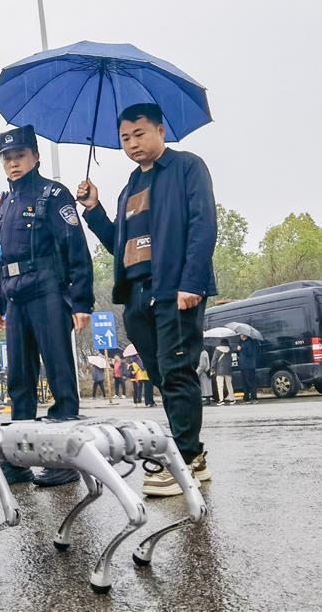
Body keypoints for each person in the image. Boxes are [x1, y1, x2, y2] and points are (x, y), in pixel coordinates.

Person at [77, 102, 217, 498]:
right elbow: (118, 245)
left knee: (177, 371)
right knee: (162, 376)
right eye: (125, 138)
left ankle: (183, 458)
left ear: (160, 130)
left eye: (139, 134)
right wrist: (94, 209)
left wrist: (191, 282)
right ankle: (194, 455)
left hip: (174, 288)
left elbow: (203, 224)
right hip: (136, 295)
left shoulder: (187, 167)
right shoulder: (129, 187)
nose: (133, 143)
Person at [0, 125, 95, 487]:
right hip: (15, 296)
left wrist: (81, 301)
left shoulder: (53, 194)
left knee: (60, 374)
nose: (13, 163)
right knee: (19, 380)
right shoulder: (5, 202)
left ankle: (64, 459)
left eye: (19, 156)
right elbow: (0, 257)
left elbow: (75, 247)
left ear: (35, 156)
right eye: (7, 158)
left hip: (48, 289)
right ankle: (18, 459)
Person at [235, 334, 260, 403]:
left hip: (249, 366)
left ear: (244, 335)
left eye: (241, 334)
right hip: (243, 366)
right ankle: (246, 398)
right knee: (245, 383)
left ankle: (253, 398)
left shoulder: (250, 342)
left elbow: (250, 353)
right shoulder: (242, 342)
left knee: (250, 382)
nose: (240, 335)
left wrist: (241, 348)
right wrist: (239, 350)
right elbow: (240, 354)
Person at [211, 341, 235, 405]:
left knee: (220, 386)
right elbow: (231, 360)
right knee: (229, 385)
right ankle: (232, 399)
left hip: (219, 370)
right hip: (228, 370)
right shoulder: (230, 350)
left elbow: (214, 360)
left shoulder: (217, 350)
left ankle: (221, 400)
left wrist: (212, 368)